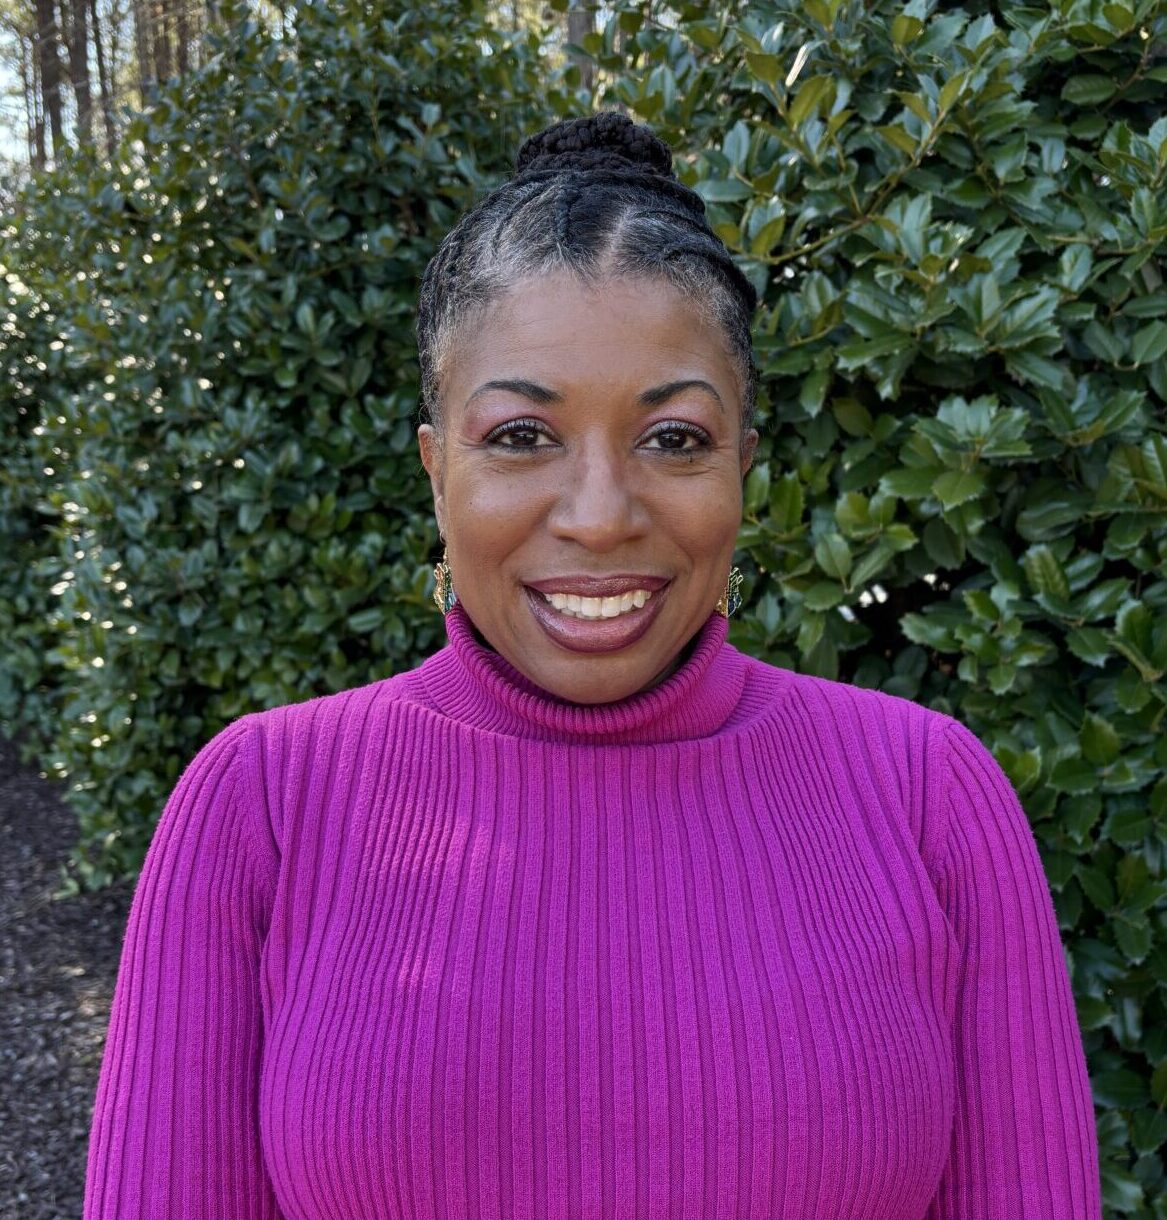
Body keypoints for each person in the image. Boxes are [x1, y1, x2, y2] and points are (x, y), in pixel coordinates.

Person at [84, 111, 1102, 1218]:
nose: (600, 515)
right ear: (437, 471)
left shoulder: (925, 793)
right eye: (521, 436)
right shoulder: (263, 804)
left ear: (743, 465)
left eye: (675, 439)